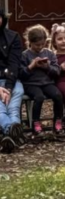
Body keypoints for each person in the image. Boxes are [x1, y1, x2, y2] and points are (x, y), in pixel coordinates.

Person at [23, 25, 63, 135]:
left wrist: (47, 67)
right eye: (37, 45)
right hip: (31, 84)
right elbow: (21, 75)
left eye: (42, 44)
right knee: (39, 97)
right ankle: (36, 122)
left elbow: (57, 72)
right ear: (30, 42)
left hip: (47, 82)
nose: (40, 47)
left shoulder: (49, 53)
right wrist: (31, 66)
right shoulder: (25, 55)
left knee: (58, 95)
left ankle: (58, 120)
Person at [0, 9, 27, 152]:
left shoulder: (13, 37)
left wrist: (9, 88)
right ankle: (13, 131)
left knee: (13, 109)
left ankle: (8, 135)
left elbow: (14, 64)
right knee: (0, 110)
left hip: (12, 81)